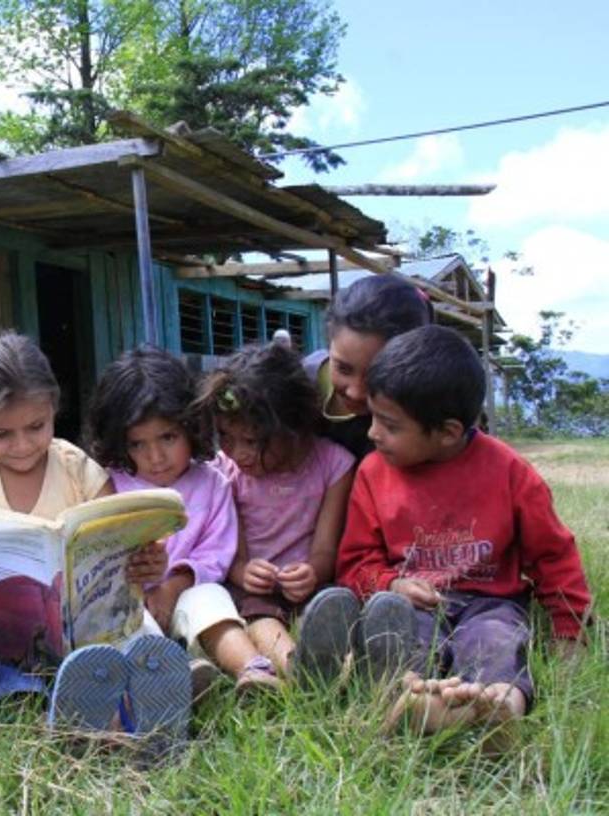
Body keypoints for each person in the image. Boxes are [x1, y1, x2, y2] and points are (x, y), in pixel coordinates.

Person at [335, 325, 592, 733]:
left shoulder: (509, 472)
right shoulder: (372, 474)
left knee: (495, 642)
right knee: (406, 640)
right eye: (374, 418)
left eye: (390, 424)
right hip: (415, 604)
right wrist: (391, 584)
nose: (372, 433)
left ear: (448, 432)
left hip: (491, 603)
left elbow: (554, 557)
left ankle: (501, 708)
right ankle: (412, 702)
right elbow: (354, 563)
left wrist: (569, 632)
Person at [0, 333, 190, 740]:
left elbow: (121, 551)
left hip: (87, 628)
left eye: (36, 426)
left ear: (54, 408)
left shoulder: (79, 471)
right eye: (1, 434)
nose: (21, 445)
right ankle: (90, 710)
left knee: (136, 632)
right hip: (3, 636)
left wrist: (148, 562)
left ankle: (149, 709)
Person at [86, 346, 275, 696]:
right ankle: (177, 679)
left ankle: (252, 668)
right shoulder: (109, 484)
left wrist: (174, 586)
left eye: (168, 438)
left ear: (191, 427)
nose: (155, 457)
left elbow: (216, 553)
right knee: (133, 626)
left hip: (187, 594)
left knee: (210, 598)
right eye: (137, 444)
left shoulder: (212, 483)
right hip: (133, 605)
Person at [194, 343, 356, 683]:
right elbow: (230, 552)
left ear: (293, 430)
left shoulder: (334, 465)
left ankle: (345, 665)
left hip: (312, 589)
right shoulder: (224, 472)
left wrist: (312, 571)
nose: (239, 453)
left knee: (330, 611)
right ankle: (298, 668)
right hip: (255, 592)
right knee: (261, 618)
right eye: (225, 436)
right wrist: (243, 572)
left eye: (253, 441)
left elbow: (326, 549)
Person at [304, 275, 433, 461]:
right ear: (329, 345)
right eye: (343, 369)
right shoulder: (296, 384)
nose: (356, 392)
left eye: (375, 376)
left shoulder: (419, 416)